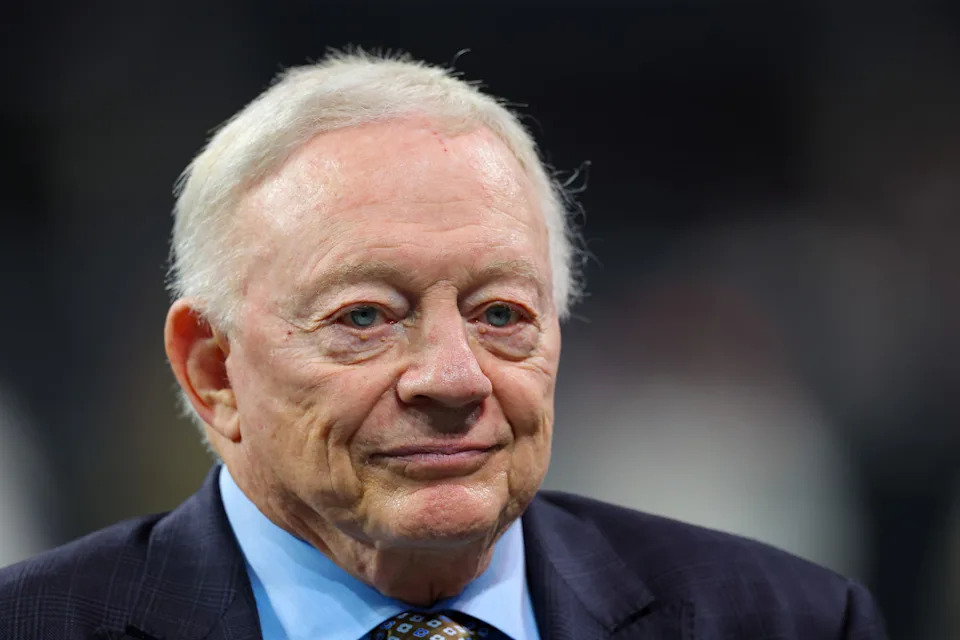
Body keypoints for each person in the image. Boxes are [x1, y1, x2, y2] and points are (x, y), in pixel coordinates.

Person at [0, 51, 886, 640]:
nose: (454, 378)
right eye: (364, 317)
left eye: (501, 315)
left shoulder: (788, 620)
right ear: (212, 371)